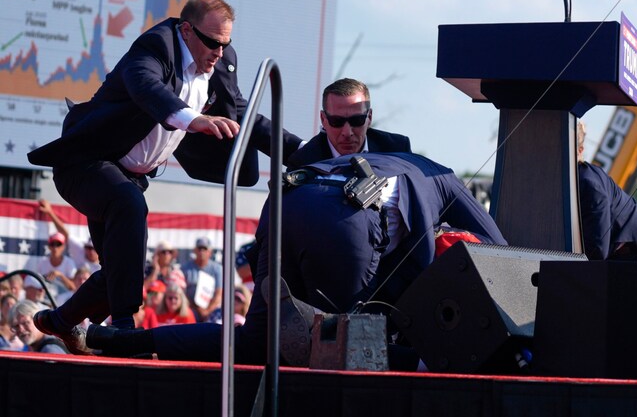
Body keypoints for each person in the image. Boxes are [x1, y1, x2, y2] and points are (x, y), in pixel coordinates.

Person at [27, 0, 303, 354]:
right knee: (129, 205)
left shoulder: (219, 62)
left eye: (226, 43)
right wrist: (194, 119)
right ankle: (123, 328)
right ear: (186, 30)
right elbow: (147, 87)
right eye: (211, 43)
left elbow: (244, 114)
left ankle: (59, 321)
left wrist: (305, 153)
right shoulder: (156, 46)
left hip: (128, 176)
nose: (219, 52)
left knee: (119, 271)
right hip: (86, 164)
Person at [85, 152, 507, 367]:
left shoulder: (400, 165)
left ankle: (128, 341)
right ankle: (314, 329)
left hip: (286, 202)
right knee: (350, 345)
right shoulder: (444, 180)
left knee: (254, 342)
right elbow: (498, 249)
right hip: (346, 219)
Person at [577, 121, 637, 262]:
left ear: (580, 151)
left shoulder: (589, 185)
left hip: (635, 257)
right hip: (617, 256)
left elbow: (597, 250)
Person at [286, 78, 411, 169]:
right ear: (323, 120)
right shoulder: (303, 162)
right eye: (337, 121)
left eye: (357, 121)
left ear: (370, 117)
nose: (347, 132)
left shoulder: (397, 150)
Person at [37, 199, 101, 273]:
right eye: (88, 247)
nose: (90, 251)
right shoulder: (80, 250)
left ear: (99, 250)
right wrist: (50, 212)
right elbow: (65, 234)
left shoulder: (104, 265)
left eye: (93, 248)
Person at [181, 237, 223, 321]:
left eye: (205, 249)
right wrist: (197, 308)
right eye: (199, 248)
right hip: (190, 308)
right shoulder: (185, 268)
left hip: (212, 310)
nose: (201, 252)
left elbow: (219, 293)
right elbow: (182, 293)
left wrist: (207, 311)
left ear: (210, 252)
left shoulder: (217, 269)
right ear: (195, 251)